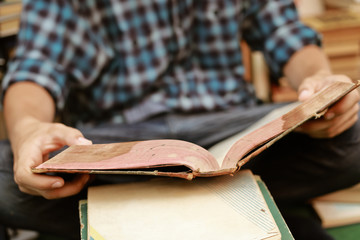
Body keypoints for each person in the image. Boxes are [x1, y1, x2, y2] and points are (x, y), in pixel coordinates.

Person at [1, 0, 360, 239]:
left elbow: (289, 36)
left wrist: (320, 86)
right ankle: (240, 201)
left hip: (232, 130)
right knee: (16, 168)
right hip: (117, 148)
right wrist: (29, 128)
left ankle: (129, 215)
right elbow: (36, 69)